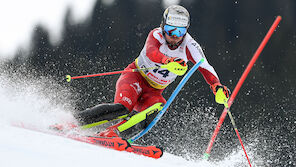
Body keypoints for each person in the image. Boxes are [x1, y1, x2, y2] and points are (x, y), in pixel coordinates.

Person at [74, 5, 230, 139]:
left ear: (186, 31)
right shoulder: (156, 35)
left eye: (180, 32)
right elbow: (150, 52)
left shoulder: (190, 45)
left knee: (156, 111)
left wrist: (216, 86)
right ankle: (75, 121)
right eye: (170, 30)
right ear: (163, 25)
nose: (174, 36)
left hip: (154, 91)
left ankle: (113, 135)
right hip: (135, 77)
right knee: (122, 109)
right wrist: (168, 61)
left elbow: (205, 67)